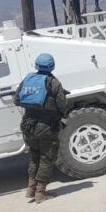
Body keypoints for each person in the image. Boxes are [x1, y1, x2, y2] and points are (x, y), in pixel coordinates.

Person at [14, 54, 69, 203]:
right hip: (45, 126)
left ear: (36, 65)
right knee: (47, 157)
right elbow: (62, 105)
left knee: (35, 156)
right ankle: (40, 193)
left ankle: (30, 189)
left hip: (27, 125)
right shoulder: (53, 82)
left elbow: (16, 100)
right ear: (52, 66)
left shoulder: (28, 79)